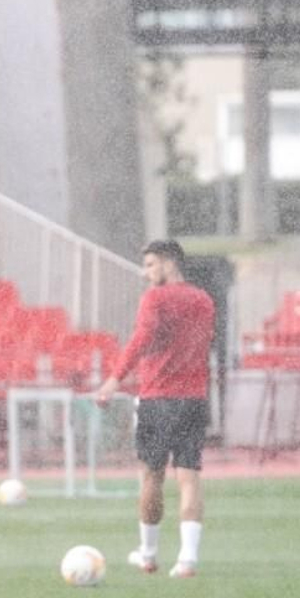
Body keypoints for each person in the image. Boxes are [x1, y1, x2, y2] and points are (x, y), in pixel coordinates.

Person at [96, 239, 215, 578]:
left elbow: (141, 339)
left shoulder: (156, 298)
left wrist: (114, 379)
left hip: (159, 397)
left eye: (150, 265)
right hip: (194, 398)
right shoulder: (204, 299)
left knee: (152, 475)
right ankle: (188, 559)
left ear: (168, 262)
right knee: (189, 476)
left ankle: (148, 554)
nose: (146, 272)